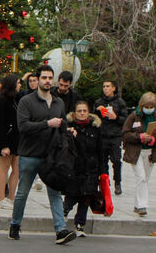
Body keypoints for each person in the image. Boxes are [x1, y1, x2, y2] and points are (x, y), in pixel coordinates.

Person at [8, 64, 75, 244]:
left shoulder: (58, 102)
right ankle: (15, 224)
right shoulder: (26, 101)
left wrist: (68, 132)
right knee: (22, 192)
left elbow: (62, 126)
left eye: (49, 78)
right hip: (30, 154)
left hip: (51, 156)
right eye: (43, 78)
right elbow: (23, 127)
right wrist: (47, 123)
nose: (47, 81)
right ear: (37, 80)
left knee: (55, 192)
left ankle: (61, 230)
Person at [64, 100, 107, 237]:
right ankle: (63, 213)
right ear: (74, 113)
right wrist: (69, 136)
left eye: (85, 111)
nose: (82, 113)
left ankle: (80, 224)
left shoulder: (96, 128)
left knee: (86, 197)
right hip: (74, 167)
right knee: (72, 194)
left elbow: (101, 151)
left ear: (89, 113)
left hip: (91, 168)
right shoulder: (68, 127)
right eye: (79, 111)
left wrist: (103, 172)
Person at [121, 91, 156, 217]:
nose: (149, 109)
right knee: (140, 177)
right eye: (146, 107)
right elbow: (125, 134)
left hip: (150, 152)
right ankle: (142, 205)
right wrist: (139, 137)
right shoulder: (133, 116)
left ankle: (137, 204)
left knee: (145, 179)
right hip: (136, 152)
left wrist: (153, 139)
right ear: (142, 106)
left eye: (151, 107)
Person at [93, 80, 127, 195]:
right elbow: (92, 119)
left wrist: (115, 117)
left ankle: (118, 182)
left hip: (115, 135)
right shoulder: (99, 102)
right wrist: (97, 111)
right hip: (102, 135)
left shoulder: (120, 102)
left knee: (116, 160)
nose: (105, 89)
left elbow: (125, 119)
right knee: (102, 161)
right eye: (104, 86)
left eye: (108, 86)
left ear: (113, 88)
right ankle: (104, 183)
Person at [0, 74, 20, 207]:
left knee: (16, 168)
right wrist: (4, 145)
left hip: (16, 138)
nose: (20, 85)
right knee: (4, 168)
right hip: (5, 139)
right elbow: (1, 124)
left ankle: (12, 197)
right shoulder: (2, 100)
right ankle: (2, 198)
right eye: (18, 83)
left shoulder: (15, 99)